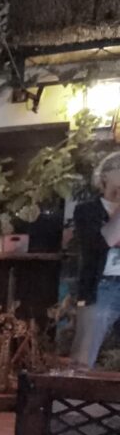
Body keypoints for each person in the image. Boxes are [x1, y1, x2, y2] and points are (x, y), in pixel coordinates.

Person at [72, 151, 120, 369]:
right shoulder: (87, 211)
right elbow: (101, 243)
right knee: (84, 355)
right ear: (105, 176)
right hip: (101, 288)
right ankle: (74, 391)